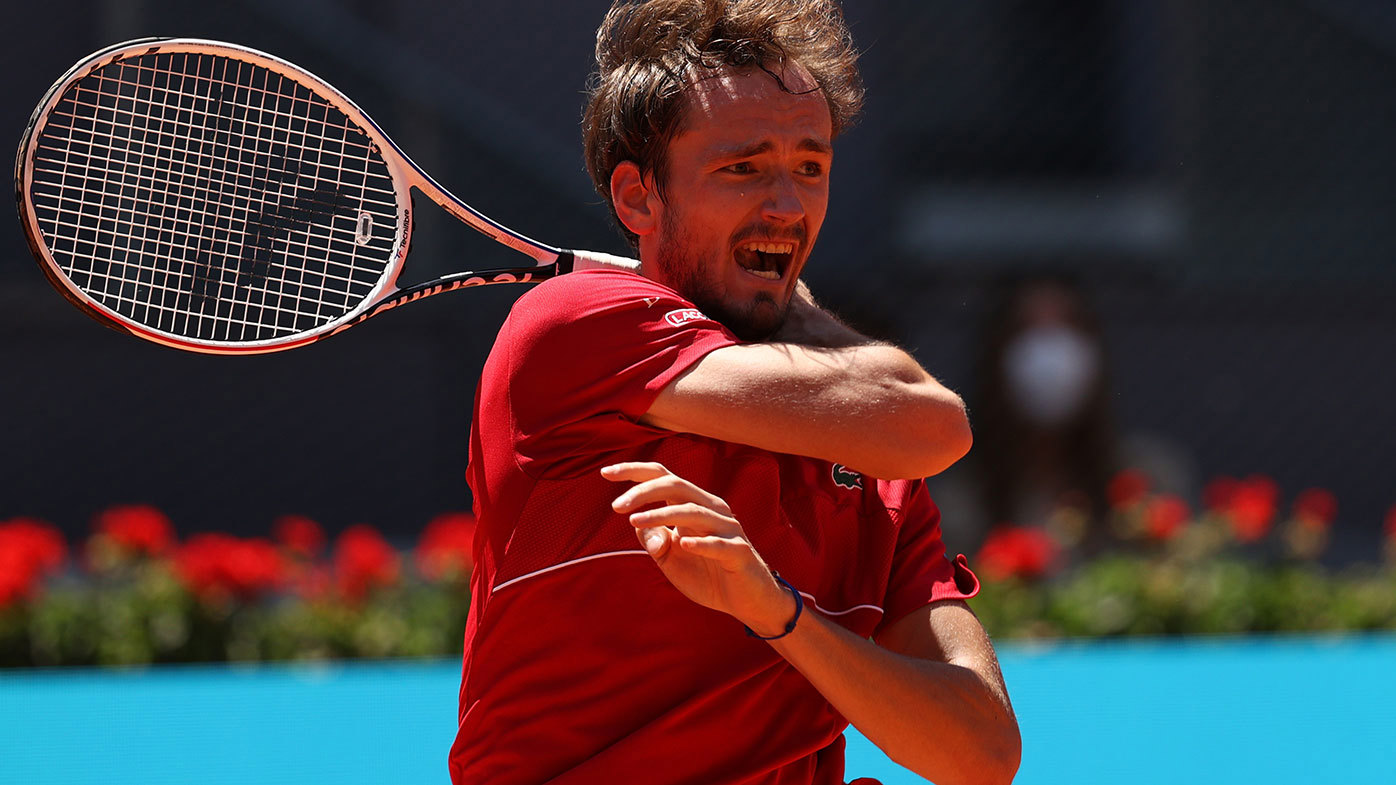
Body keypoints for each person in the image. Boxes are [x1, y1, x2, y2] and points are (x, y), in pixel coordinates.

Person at [450, 2, 1021, 784]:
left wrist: (776, 612)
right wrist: (794, 302)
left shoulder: (871, 450)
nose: (787, 206)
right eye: (744, 168)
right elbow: (933, 421)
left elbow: (982, 753)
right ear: (638, 197)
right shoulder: (571, 323)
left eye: (810, 167)